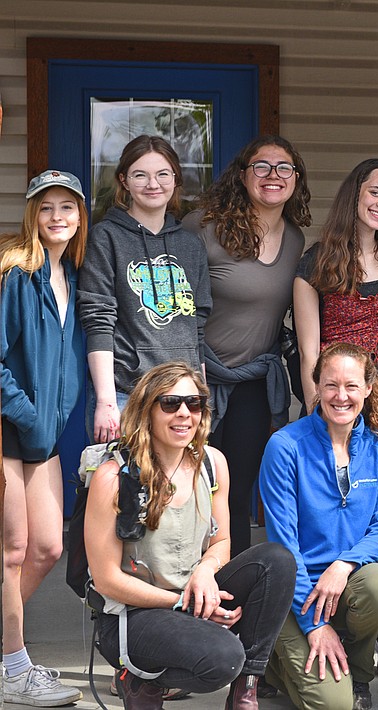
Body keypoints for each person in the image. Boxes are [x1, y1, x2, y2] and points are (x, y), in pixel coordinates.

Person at [83, 362, 296, 709]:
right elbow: (107, 580)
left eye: (194, 403)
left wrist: (204, 572)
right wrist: (184, 603)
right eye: (170, 403)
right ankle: (139, 676)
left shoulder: (212, 462)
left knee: (276, 561)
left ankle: (247, 690)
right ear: (146, 410)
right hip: (134, 614)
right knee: (223, 658)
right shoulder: (114, 476)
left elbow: (222, 541)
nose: (184, 413)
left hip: (191, 598)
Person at [293, 158, 378, 680]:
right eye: (374, 192)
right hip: (336, 394)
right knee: (336, 505)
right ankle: (321, 612)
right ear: (354, 194)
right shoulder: (316, 262)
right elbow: (307, 353)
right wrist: (318, 412)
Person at [183, 135, 309, 560]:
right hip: (198, 380)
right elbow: (178, 307)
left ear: (296, 179)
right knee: (188, 488)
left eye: (283, 168)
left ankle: (230, 600)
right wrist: (189, 369)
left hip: (254, 381)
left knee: (235, 492)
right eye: (261, 166)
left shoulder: (295, 241)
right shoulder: (203, 227)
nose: (272, 176)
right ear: (242, 174)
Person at [259, 342, 378, 710]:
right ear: (316, 386)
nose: (341, 396)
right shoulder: (285, 446)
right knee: (333, 706)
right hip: (295, 589)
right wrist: (314, 626)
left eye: (351, 386)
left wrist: (344, 564)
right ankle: (273, 662)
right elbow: (284, 547)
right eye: (331, 385)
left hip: (345, 582)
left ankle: (359, 676)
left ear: (368, 389)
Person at [1, 170, 87, 707]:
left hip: (46, 434)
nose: (57, 217)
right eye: (46, 207)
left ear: (80, 218)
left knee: (48, 546)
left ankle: (6, 655)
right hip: (10, 428)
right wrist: (27, 414)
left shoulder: (70, 277)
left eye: (68, 208)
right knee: (12, 550)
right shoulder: (16, 274)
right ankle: (14, 667)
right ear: (32, 215)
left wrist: (48, 420)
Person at [79, 134, 212, 444]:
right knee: (119, 489)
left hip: (183, 400)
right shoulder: (106, 238)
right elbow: (98, 320)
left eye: (163, 174)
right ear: (124, 181)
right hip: (128, 396)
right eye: (141, 175)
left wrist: (201, 400)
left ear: (176, 179)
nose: (153, 184)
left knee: (181, 490)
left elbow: (198, 328)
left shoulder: (191, 245)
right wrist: (106, 402)